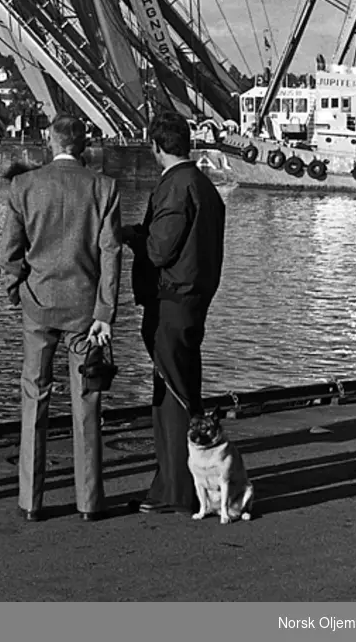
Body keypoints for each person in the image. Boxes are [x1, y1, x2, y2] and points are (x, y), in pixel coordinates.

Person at [0, 113, 122, 522]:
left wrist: (15, 286)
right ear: (83, 144)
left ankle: (31, 500)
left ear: (50, 141)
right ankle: (89, 500)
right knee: (87, 399)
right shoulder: (104, 188)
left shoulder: (23, 186)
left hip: (38, 303)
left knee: (34, 397)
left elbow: (9, 251)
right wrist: (106, 311)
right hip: (86, 310)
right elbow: (111, 252)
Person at [123, 111, 225, 515]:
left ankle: (174, 488)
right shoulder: (205, 185)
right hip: (196, 296)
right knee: (184, 385)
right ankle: (183, 483)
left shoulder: (175, 186)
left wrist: (133, 236)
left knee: (171, 393)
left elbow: (160, 249)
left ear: (156, 147)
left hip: (171, 298)